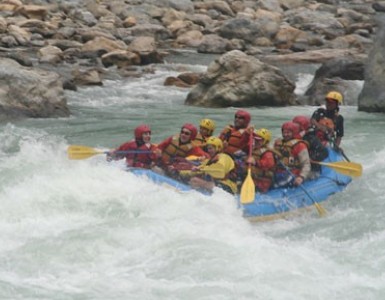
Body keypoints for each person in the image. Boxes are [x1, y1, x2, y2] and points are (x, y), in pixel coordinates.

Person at [274, 121, 311, 187]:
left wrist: (301, 177)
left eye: (288, 133)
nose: (285, 135)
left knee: (278, 185)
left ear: (294, 133)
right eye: (284, 132)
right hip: (278, 172)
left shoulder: (300, 145)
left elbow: (306, 164)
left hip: (293, 174)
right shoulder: (278, 143)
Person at [246, 128, 279, 193]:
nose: (257, 141)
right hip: (253, 178)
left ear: (265, 142)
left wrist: (255, 162)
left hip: (262, 182)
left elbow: (268, 164)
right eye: (255, 139)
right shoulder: (254, 149)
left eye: (259, 140)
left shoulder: (268, 153)